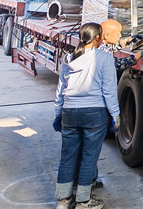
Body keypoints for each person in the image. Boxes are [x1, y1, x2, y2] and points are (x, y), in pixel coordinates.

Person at [54, 23, 120, 209]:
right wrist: (116, 115)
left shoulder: (69, 58)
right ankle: (84, 201)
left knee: (67, 157)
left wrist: (58, 113)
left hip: (69, 112)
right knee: (89, 157)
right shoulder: (104, 58)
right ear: (98, 38)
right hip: (94, 114)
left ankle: (63, 200)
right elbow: (109, 91)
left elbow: (61, 89)